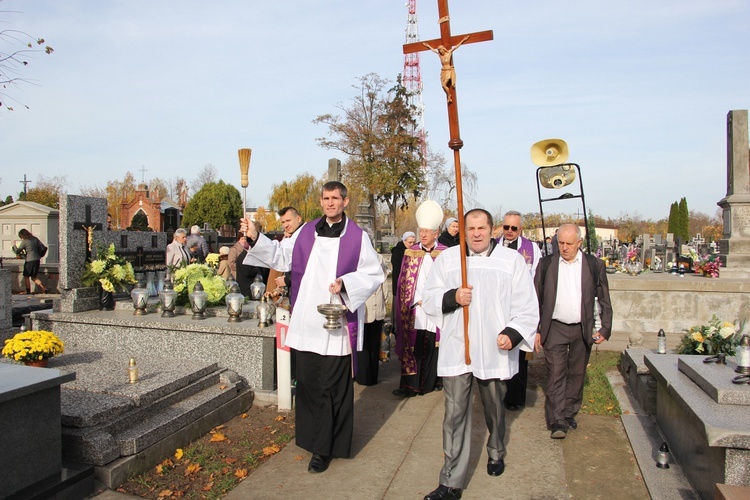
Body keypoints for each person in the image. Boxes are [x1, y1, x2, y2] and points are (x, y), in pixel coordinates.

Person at [240, 181, 384, 473]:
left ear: (345, 201)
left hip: (336, 323)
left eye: (335, 198)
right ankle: (314, 442)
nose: (330, 203)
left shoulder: (357, 236)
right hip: (307, 321)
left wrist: (347, 283)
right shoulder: (307, 232)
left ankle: (327, 448)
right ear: (321, 202)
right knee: (308, 386)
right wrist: (256, 236)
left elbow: (374, 272)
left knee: (332, 388)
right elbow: (281, 256)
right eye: (326, 198)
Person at [421, 209, 539, 499]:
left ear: (492, 229)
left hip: (493, 349)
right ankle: (451, 480)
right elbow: (430, 297)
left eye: (481, 228)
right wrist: (453, 297)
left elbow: (526, 305)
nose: (476, 233)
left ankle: (496, 450)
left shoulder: (510, 262)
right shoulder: (449, 260)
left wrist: (512, 334)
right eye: (470, 228)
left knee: (495, 407)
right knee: (454, 414)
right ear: (463, 230)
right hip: (458, 346)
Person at [534, 223, 612, 439]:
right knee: (556, 372)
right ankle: (557, 420)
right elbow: (535, 298)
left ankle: (569, 413)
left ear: (579, 243)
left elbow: (604, 297)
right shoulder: (547, 264)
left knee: (577, 373)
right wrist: (536, 329)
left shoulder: (594, 265)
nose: (565, 247)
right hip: (555, 327)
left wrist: (605, 327)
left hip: (581, 328)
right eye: (561, 243)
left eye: (569, 243)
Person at [393, 200, 447, 397]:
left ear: (436, 232)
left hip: (436, 310)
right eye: (421, 230)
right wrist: (416, 300)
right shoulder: (411, 252)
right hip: (415, 309)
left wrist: (434, 301)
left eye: (427, 231)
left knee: (432, 344)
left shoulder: (445, 254)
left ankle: (430, 382)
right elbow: (404, 282)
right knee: (413, 346)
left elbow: (448, 282)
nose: (423, 234)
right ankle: (410, 385)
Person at [496, 210, 542, 412]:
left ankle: (515, 397)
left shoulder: (531, 248)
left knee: (520, 354)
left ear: (520, 229)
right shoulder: (494, 246)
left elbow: (537, 278)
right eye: (506, 227)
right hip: (499, 307)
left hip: (521, 307)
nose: (509, 231)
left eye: (514, 228)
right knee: (498, 351)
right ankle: (496, 394)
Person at [357, 234, 389, 387]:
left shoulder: (379, 258)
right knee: (362, 344)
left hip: (377, 305)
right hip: (363, 306)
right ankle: (362, 375)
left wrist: (385, 298)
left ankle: (373, 376)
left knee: (374, 343)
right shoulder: (356, 258)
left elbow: (384, 281)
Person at [423, 35, 470, 103]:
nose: (440, 51)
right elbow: (433, 50)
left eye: (441, 50)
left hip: (448, 70)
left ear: (443, 49)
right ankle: (448, 96)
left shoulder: (449, 53)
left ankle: (449, 96)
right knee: (443, 85)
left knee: (444, 85)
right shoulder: (440, 56)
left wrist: (463, 40)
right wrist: (428, 46)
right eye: (439, 51)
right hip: (443, 71)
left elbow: (456, 46)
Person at [12, 229, 48, 294]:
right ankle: (43, 288)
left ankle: (28, 292)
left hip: (29, 261)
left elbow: (17, 251)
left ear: (22, 235)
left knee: (26, 276)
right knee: (34, 277)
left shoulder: (25, 241)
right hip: (37, 260)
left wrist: (14, 246)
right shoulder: (35, 239)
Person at [390, 231, 416, 300]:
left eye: (413, 242)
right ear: (404, 241)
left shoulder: (414, 251)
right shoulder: (398, 252)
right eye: (410, 242)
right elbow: (397, 269)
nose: (412, 244)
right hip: (400, 283)